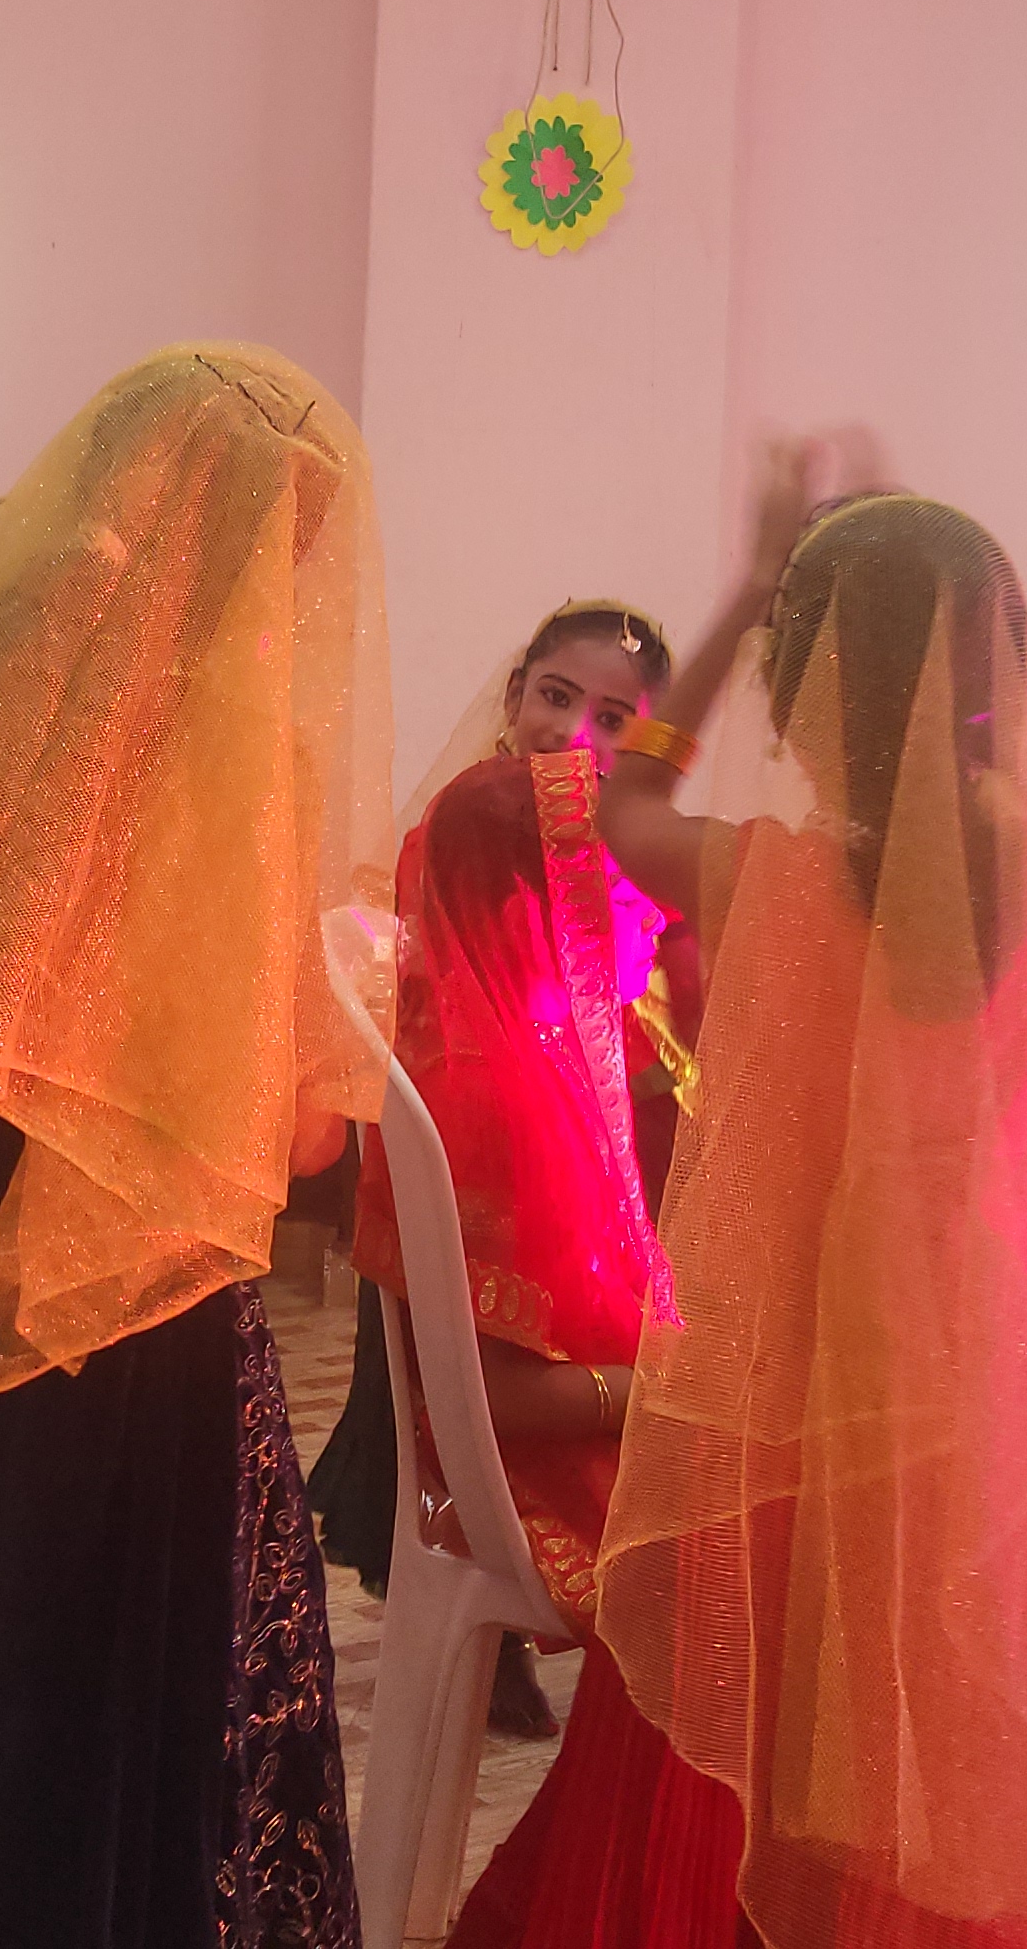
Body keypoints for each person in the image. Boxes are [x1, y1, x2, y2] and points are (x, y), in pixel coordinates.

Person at [0, 345, 385, 1949]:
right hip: (127, 1287)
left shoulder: (2, 674)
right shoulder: (201, 742)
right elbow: (298, 1132)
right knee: (114, 1712)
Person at [567, 468, 1027, 1948]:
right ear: (1007, 674)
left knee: (809, 1742)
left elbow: (624, 804)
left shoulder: (773, 879)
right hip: (989, 1384)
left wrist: (744, 592)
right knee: (967, 1717)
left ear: (805, 697)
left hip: (802, 1383)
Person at [312, 602, 691, 1744]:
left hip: (559, 1141)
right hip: (493, 1168)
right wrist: (669, 1385)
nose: (571, 734)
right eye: (555, 698)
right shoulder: (476, 825)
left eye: (612, 719)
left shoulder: (604, 876)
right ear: (515, 693)